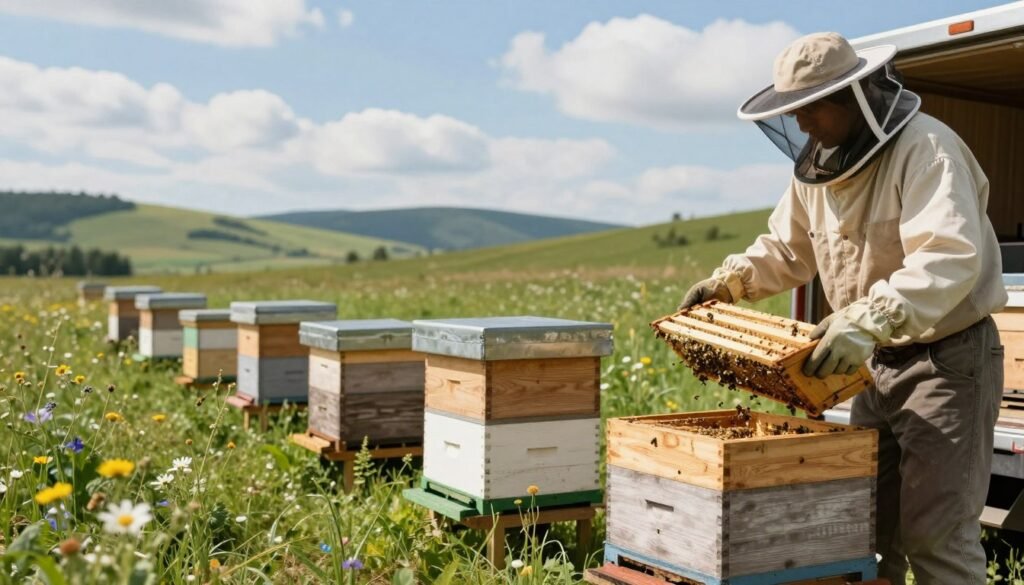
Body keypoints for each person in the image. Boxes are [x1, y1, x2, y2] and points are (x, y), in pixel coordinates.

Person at [679, 32, 1007, 585]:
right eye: (793, 112)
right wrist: (730, 283)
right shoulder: (818, 168)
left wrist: (868, 319)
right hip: (868, 367)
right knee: (863, 528)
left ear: (856, 97)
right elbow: (787, 247)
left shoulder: (927, 149)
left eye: (810, 109)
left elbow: (948, 259)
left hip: (945, 364)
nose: (802, 124)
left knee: (937, 535)